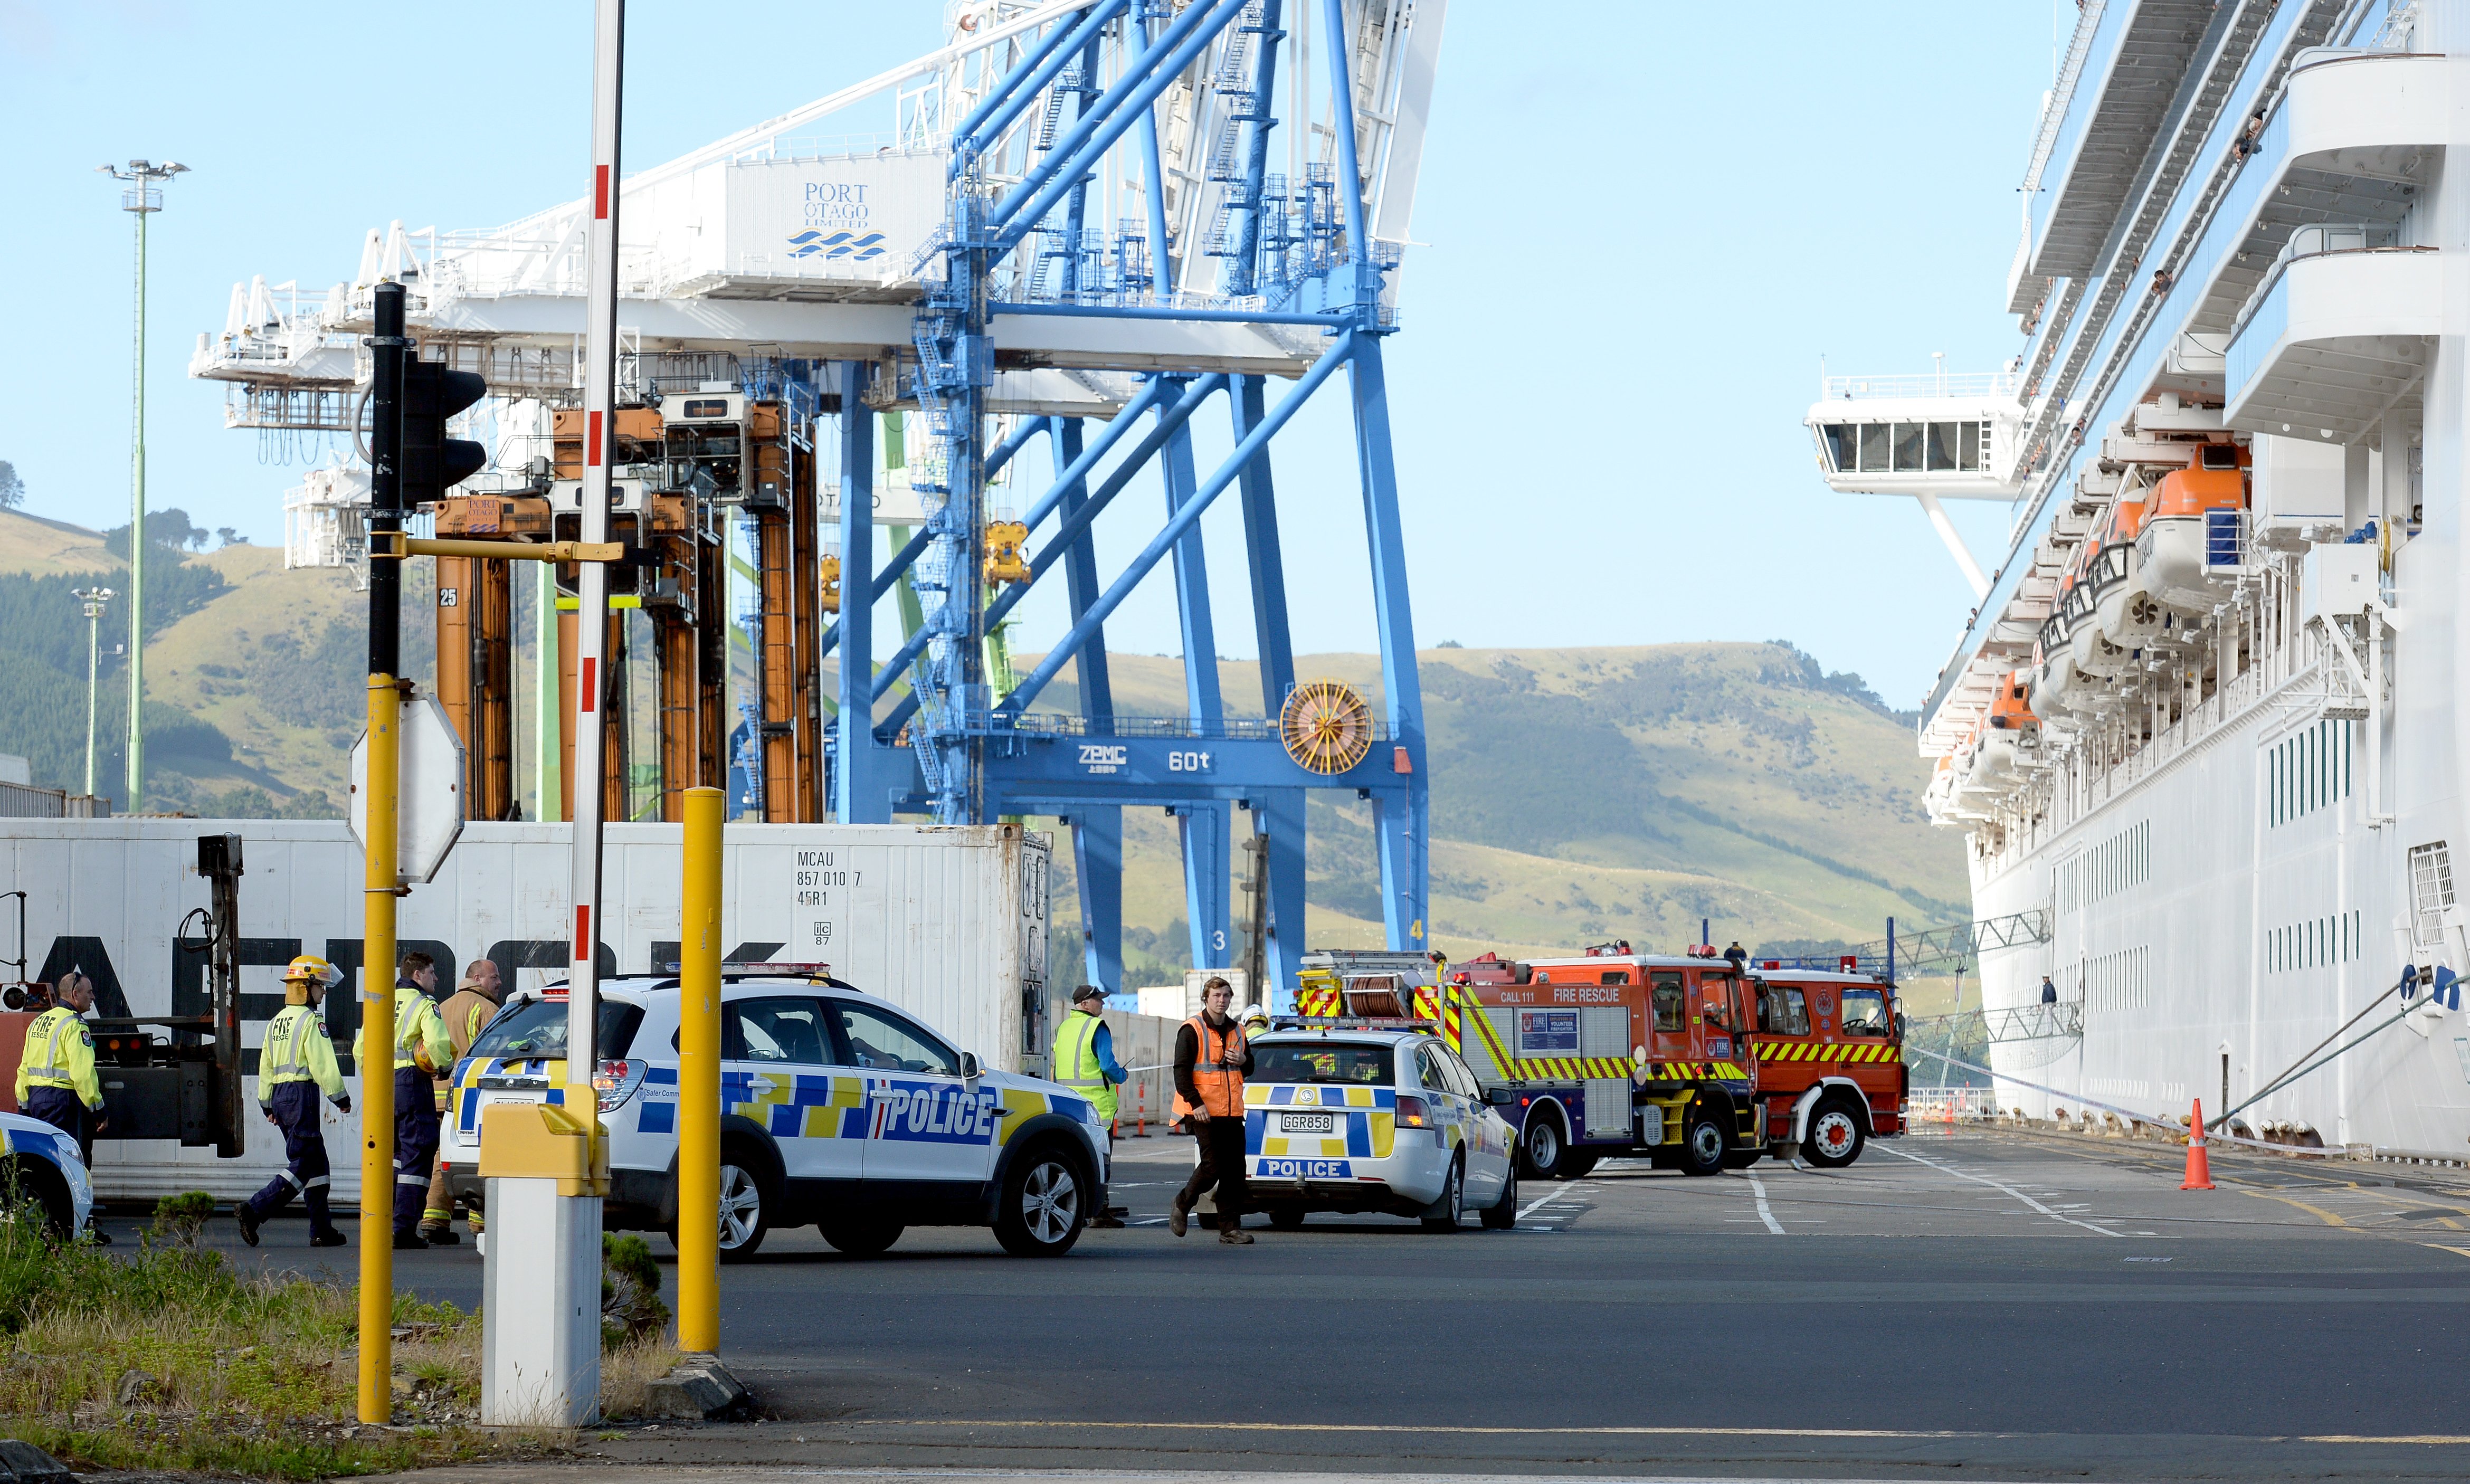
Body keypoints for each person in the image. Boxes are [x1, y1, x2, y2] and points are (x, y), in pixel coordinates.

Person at [238, 957, 352, 1248]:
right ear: (305, 987)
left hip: (281, 1097)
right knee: (304, 1163)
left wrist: (266, 1104)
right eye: (320, 987)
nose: (324, 993)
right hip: (302, 1097)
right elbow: (323, 1063)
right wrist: (340, 1097)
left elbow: (265, 1065)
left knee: (318, 1166)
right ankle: (254, 1209)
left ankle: (322, 1230)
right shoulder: (311, 1021)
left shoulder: (276, 1022)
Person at [352, 951, 454, 1250]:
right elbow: (436, 1043)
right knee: (419, 1152)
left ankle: (382, 1224)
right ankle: (403, 1229)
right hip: (412, 1084)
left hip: (382, 1086)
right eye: (432, 972)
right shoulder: (424, 1004)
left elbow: (360, 1050)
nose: (436, 978)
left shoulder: (381, 1002)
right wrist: (444, 1066)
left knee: (393, 1156)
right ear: (418, 975)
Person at [14, 969, 110, 1242]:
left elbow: (23, 1069)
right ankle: (77, 1228)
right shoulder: (75, 1025)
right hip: (65, 1102)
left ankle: (48, 1225)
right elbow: (83, 1074)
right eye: (89, 992)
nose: (93, 997)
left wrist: (24, 1109)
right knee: (74, 1165)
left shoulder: (39, 1023)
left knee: (43, 1164)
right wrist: (98, 1108)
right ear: (74, 994)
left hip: (37, 1100)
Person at [420, 958, 506, 1244]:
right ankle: (480, 1224)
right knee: (483, 1156)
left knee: (443, 1156)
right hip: (469, 1098)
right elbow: (497, 1057)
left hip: (435, 1096)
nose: (499, 983)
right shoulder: (487, 1009)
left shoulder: (441, 1007)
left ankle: (435, 1218)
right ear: (478, 978)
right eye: (494, 977)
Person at [1171, 975, 1255, 1245]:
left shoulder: (1238, 1030)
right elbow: (1181, 1072)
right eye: (1217, 996)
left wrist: (1243, 1060)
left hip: (1231, 1113)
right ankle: (1183, 1203)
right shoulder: (1192, 1029)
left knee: (1234, 1172)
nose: (1222, 1000)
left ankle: (1230, 1229)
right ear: (1206, 998)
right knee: (1212, 1166)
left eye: (1226, 996)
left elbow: (1249, 1067)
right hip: (1203, 1112)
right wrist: (1196, 1104)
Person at [1051, 984, 1128, 1229]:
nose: (1103, 1004)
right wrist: (1122, 1075)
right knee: (1100, 1163)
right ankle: (1100, 1212)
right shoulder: (1097, 1028)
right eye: (1099, 1000)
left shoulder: (1063, 1028)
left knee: (1070, 1161)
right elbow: (1107, 1066)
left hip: (1068, 1106)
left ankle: (1069, 1210)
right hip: (1097, 1109)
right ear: (1086, 1003)